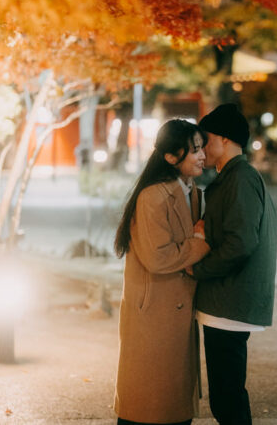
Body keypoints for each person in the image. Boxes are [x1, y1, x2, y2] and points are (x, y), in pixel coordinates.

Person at [113, 119, 210, 425]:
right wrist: (199, 243)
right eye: (194, 150)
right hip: (153, 313)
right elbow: (158, 257)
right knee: (146, 406)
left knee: (173, 406)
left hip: (176, 310)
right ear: (171, 157)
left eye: (202, 148)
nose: (202, 156)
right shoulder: (153, 196)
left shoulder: (193, 192)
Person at [188, 103, 277, 425]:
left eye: (205, 140)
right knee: (228, 398)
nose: (201, 148)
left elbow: (241, 242)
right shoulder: (235, 176)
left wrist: (198, 269)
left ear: (224, 139)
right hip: (228, 302)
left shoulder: (240, 177)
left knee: (228, 401)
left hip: (230, 302)